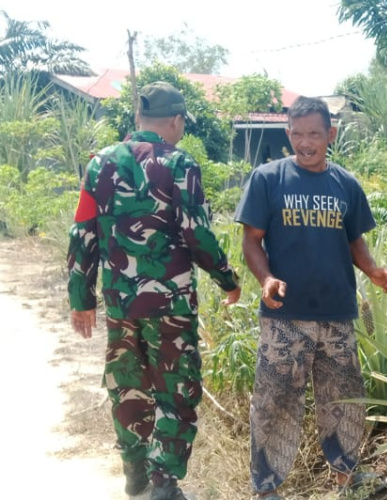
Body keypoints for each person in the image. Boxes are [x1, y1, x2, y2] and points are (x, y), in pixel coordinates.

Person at [67, 81, 241, 500]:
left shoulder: (99, 165)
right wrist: (227, 278)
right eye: (182, 123)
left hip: (121, 302)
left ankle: (134, 468)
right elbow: (197, 234)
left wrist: (81, 298)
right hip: (171, 304)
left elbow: (82, 233)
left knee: (128, 382)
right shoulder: (181, 164)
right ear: (176, 121)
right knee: (176, 386)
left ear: (138, 119)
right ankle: (163, 480)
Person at [235, 96, 387, 499]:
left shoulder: (345, 184)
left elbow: (354, 239)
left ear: (331, 133)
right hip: (284, 316)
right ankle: (267, 487)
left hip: (336, 314)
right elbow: (251, 240)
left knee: (342, 399)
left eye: (314, 134)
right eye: (297, 133)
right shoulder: (268, 179)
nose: (305, 142)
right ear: (288, 133)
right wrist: (267, 278)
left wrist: (374, 271)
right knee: (275, 401)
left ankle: (347, 477)